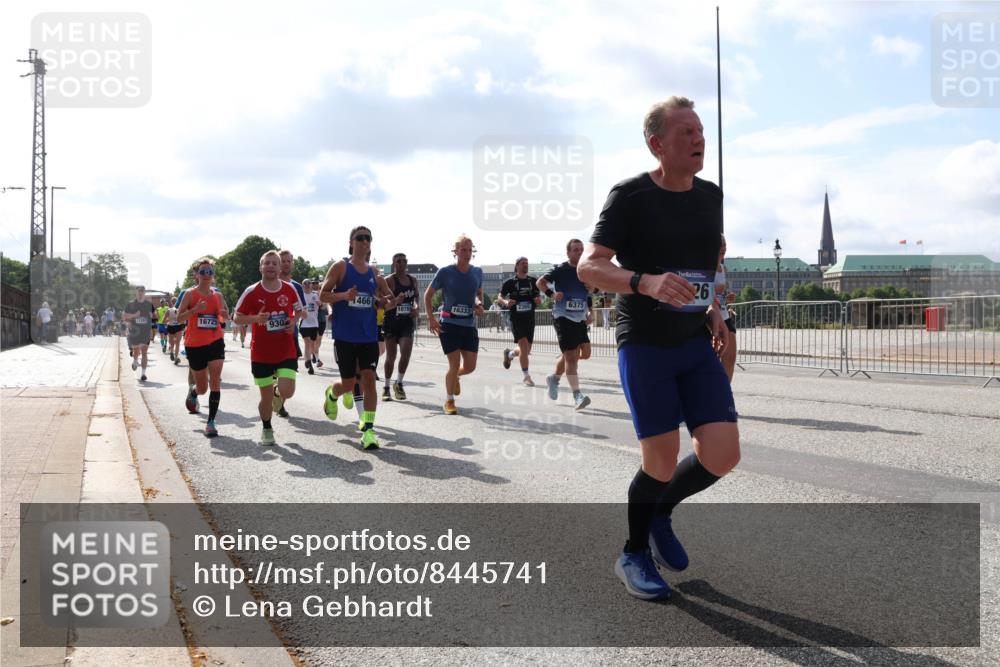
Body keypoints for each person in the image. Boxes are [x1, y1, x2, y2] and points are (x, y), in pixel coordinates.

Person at [578, 96, 739, 601]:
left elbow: (706, 264)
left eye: (700, 130)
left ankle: (660, 511)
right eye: (686, 132)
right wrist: (644, 282)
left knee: (723, 454)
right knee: (661, 461)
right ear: (657, 144)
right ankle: (632, 553)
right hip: (645, 342)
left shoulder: (710, 196)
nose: (699, 139)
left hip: (694, 339)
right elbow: (589, 265)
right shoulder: (629, 196)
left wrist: (714, 310)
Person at [320, 226, 394, 450]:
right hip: (345, 336)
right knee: (349, 383)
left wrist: (383, 302)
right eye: (360, 238)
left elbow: (382, 300)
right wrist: (344, 295)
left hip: (368, 336)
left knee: (369, 379)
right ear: (351, 243)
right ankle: (332, 394)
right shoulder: (341, 267)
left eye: (368, 238)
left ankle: (368, 430)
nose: (364, 241)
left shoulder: (373, 272)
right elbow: (323, 295)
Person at [234, 250, 304, 446]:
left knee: (287, 391)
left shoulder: (289, 289)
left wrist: (293, 321)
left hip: (285, 348)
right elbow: (236, 318)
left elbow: (300, 311)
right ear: (261, 267)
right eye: (267, 263)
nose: (271, 266)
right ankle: (266, 428)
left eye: (275, 263)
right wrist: (256, 318)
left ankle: (278, 394)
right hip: (261, 352)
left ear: (280, 268)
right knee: (265, 398)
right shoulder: (251, 291)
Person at [424, 234, 484, 415]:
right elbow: (428, 295)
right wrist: (431, 318)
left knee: (471, 366)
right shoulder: (445, 272)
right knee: (454, 363)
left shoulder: (477, 272)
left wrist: (479, 304)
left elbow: (478, 293)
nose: (467, 253)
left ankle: (456, 376)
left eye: (470, 250)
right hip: (449, 324)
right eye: (463, 250)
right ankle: (449, 401)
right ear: (455, 251)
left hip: (469, 324)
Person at [176, 259, 229, 437]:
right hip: (194, 344)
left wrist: (224, 316)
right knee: (202, 388)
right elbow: (178, 318)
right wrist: (195, 310)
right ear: (196, 275)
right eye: (203, 271)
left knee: (215, 381)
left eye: (210, 272)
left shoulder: (218, 296)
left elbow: (223, 319)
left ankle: (211, 422)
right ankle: (194, 391)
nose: (207, 275)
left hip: (215, 341)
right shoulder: (189, 294)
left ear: (213, 276)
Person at [538, 240, 593, 410]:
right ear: (568, 253)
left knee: (584, 353)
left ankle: (554, 378)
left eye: (581, 249)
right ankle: (577, 395)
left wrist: (590, 311)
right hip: (562, 316)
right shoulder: (560, 269)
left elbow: (590, 293)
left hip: (579, 317)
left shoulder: (586, 269)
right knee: (571, 356)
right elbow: (540, 282)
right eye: (576, 250)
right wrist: (552, 294)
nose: (579, 252)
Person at [382, 253, 419, 400]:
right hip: (391, 322)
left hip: (406, 322)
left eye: (404, 261)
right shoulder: (388, 281)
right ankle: (386, 387)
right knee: (391, 357)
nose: (402, 263)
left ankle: (399, 383)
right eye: (399, 261)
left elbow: (416, 297)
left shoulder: (413, 280)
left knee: (406, 353)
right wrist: (395, 301)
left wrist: (416, 307)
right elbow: (383, 304)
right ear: (393, 263)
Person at [498, 257, 541, 386]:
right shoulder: (510, 282)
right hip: (516, 318)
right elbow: (499, 297)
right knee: (523, 346)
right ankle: (526, 376)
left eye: (527, 263)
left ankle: (510, 354)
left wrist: (538, 300)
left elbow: (537, 297)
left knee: (526, 350)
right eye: (523, 263)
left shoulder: (533, 281)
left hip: (529, 318)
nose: (525, 265)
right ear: (517, 266)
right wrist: (506, 302)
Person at [277, 250, 307, 417]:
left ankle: (280, 402)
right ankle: (274, 395)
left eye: (289, 261)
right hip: (270, 337)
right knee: (272, 373)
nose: (286, 263)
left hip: (290, 336)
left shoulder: (296, 287)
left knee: (287, 374)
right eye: (283, 260)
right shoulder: (268, 284)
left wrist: (294, 319)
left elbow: (303, 311)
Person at [715, 234, 737, 382]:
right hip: (712, 317)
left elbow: (720, 297)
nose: (723, 248)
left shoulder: (723, 268)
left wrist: (727, 298)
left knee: (730, 357)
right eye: (720, 245)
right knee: (715, 358)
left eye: (725, 246)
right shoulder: (707, 268)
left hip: (724, 315)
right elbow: (703, 294)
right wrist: (716, 291)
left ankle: (726, 390)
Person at [123, 287, 153, 381]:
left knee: (144, 352)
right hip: (135, 332)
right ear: (136, 293)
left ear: (144, 293)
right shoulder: (131, 304)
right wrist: (134, 316)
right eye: (139, 291)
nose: (140, 293)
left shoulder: (149, 304)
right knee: (136, 351)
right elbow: (124, 316)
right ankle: (135, 360)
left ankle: (143, 374)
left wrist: (152, 316)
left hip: (145, 331)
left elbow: (154, 316)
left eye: (142, 291)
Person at [300, 279, 321, 375]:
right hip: (304, 324)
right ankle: (309, 364)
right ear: (302, 286)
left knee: (312, 344)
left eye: (309, 283)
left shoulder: (315, 295)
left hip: (314, 324)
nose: (307, 284)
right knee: (307, 343)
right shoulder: (300, 296)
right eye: (305, 283)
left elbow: (321, 305)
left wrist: (320, 303)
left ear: (312, 285)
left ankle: (310, 356)